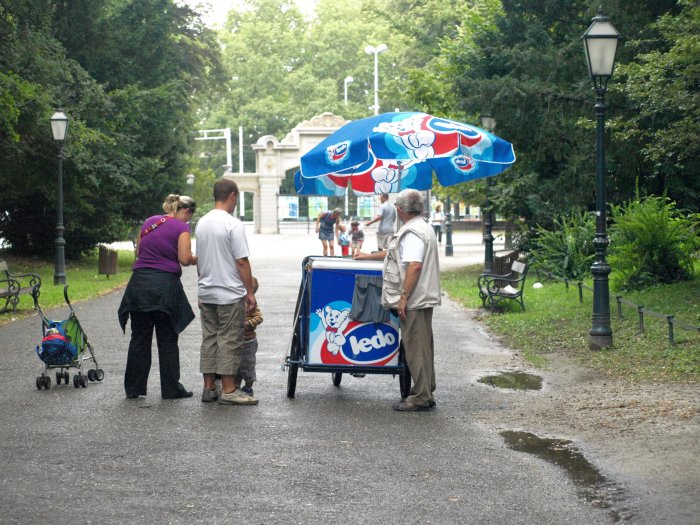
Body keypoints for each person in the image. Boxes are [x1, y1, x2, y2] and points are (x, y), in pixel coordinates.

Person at [354, 189, 441, 412]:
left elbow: (414, 265)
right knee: (422, 347)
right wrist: (368, 257)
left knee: (415, 348)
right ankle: (426, 390)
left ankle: (421, 396)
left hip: (415, 299)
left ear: (400, 210)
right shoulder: (422, 227)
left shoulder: (412, 232)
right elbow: (398, 255)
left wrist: (403, 297)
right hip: (422, 297)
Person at [118, 194, 197, 399]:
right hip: (164, 288)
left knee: (139, 339)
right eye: (189, 217)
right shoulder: (181, 227)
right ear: (186, 211)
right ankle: (171, 389)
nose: (188, 221)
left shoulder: (149, 222)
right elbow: (184, 259)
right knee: (167, 339)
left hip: (139, 285)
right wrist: (198, 259)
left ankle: (133, 389)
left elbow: (139, 252)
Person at [196, 179, 258, 406]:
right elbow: (241, 261)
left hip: (207, 291)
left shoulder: (201, 223)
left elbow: (200, 259)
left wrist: (201, 287)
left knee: (210, 338)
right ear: (232, 195)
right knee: (230, 339)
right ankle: (229, 390)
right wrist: (249, 291)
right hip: (229, 292)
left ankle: (209, 387)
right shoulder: (233, 224)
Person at [235, 276, 262, 396]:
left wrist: (249, 323)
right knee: (236, 365)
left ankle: (248, 386)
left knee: (248, 365)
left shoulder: (252, 306)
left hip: (249, 342)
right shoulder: (235, 304)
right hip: (236, 341)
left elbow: (259, 318)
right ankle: (235, 385)